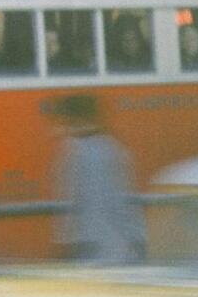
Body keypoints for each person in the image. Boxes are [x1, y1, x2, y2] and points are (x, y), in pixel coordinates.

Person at [49, 93, 144, 263]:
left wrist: (64, 240)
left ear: (73, 118)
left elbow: (69, 199)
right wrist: (137, 236)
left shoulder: (71, 149)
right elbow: (126, 198)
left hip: (85, 243)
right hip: (118, 244)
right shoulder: (114, 147)